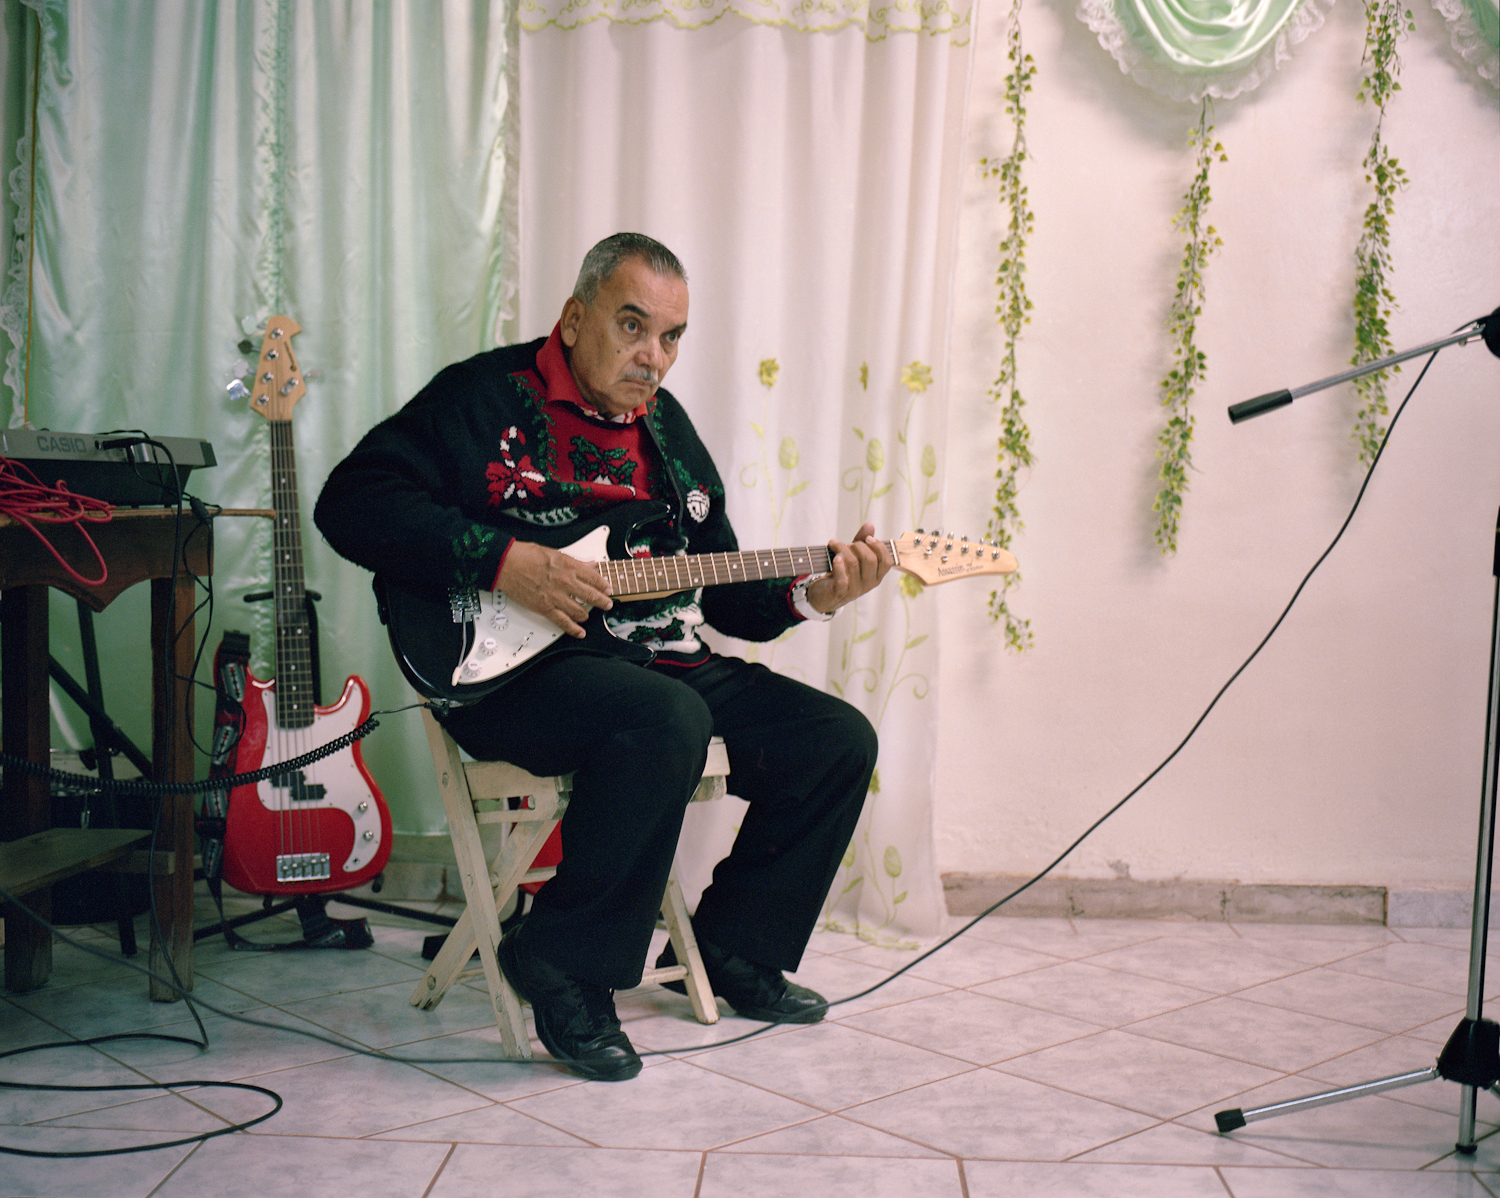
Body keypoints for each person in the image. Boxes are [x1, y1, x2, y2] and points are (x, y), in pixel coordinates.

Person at [314, 232, 892, 1081]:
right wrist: (508, 562)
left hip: (655, 661)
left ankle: (736, 948)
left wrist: (816, 594)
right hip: (512, 674)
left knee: (835, 738)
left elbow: (726, 592)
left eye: (670, 337)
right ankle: (563, 964)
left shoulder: (669, 433)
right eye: (632, 326)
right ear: (576, 317)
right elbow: (349, 504)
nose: (652, 356)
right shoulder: (480, 399)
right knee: (666, 717)